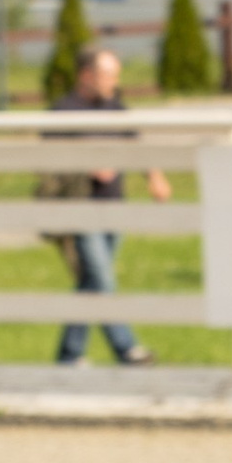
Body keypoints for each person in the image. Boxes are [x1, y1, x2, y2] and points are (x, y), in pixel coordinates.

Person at [44, 45, 172, 368]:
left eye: (116, 74)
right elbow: (49, 159)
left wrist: (154, 178)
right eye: (107, 75)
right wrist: (87, 165)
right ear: (86, 74)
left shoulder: (116, 108)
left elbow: (137, 145)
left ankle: (69, 354)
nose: (114, 81)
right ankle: (126, 349)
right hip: (81, 208)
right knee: (101, 277)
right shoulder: (64, 111)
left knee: (91, 283)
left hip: (115, 207)